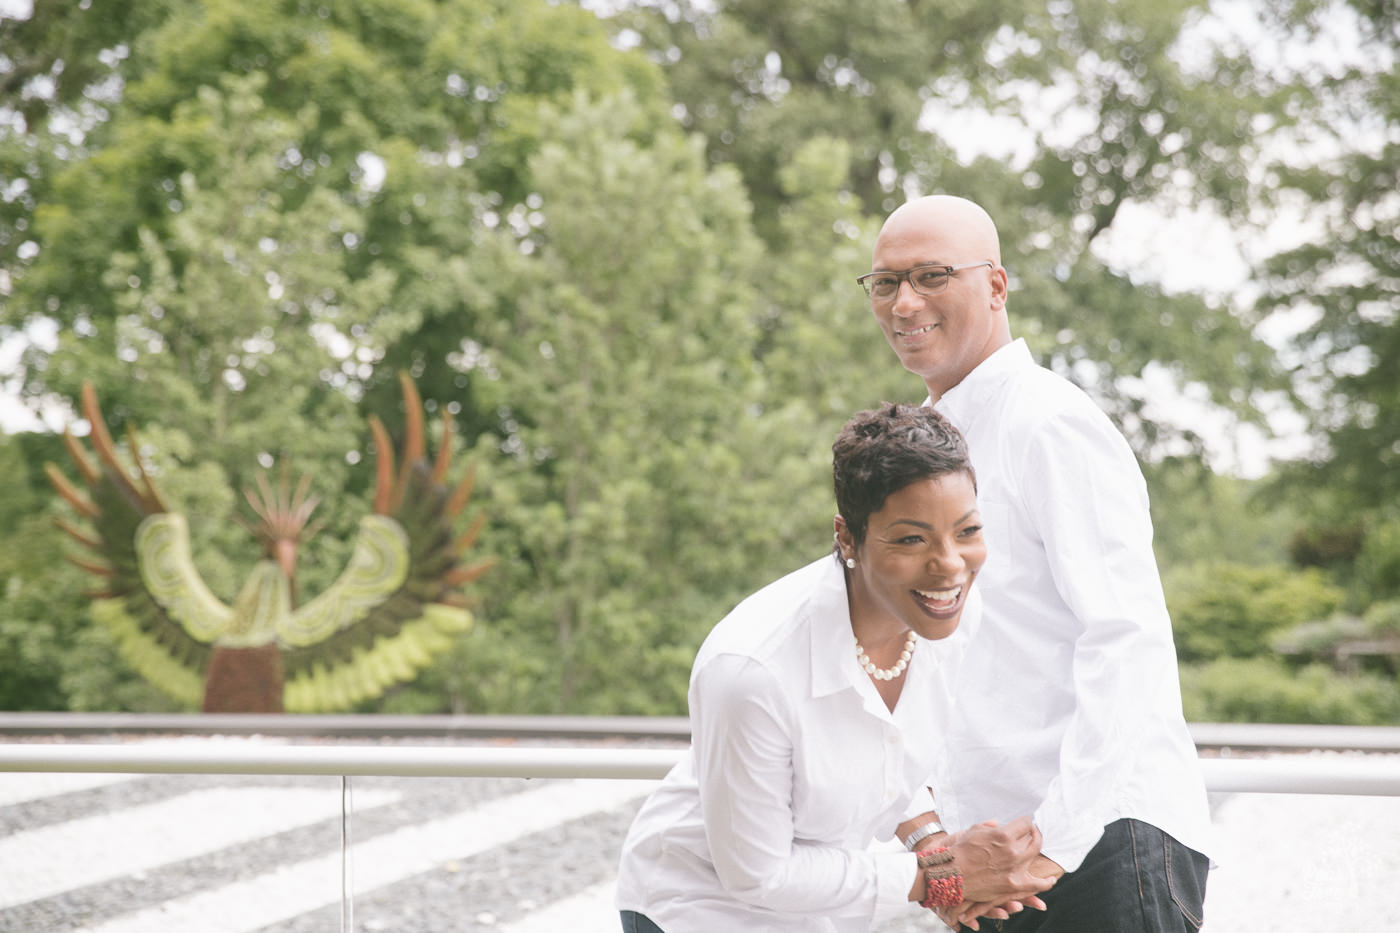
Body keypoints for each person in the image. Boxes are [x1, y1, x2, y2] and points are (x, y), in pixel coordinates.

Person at [858, 195, 1213, 931]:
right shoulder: (930, 449)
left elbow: (1126, 635)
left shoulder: (1050, 423)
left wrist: (1056, 842)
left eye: (931, 274)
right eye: (886, 282)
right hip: (992, 864)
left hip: (1099, 849)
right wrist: (948, 858)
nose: (905, 301)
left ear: (996, 286)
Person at [615, 404, 1056, 933]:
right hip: (699, 908)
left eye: (967, 531)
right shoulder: (752, 671)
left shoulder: (948, 614)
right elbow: (758, 876)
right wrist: (939, 879)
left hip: (821, 911)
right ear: (848, 537)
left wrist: (939, 853)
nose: (950, 565)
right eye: (912, 539)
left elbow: (887, 749)